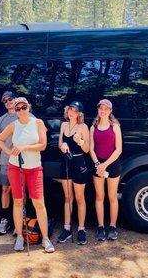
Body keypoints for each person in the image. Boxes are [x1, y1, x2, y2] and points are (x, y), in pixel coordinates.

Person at [0, 97, 55, 253]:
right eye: (18, 108)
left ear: (29, 107)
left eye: (23, 107)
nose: (21, 110)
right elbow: (0, 139)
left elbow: (43, 145)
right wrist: (8, 152)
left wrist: (24, 147)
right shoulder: (13, 125)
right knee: (18, 202)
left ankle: (45, 238)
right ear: (15, 111)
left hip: (34, 168)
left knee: (39, 203)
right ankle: (20, 237)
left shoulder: (38, 123)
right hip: (16, 168)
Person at [57, 101, 90, 245]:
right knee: (67, 197)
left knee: (80, 198)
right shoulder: (64, 125)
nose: (72, 113)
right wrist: (63, 145)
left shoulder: (83, 127)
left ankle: (81, 229)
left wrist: (81, 141)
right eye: (71, 109)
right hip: (66, 163)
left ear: (79, 114)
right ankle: (67, 228)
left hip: (79, 163)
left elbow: (88, 149)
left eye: (76, 111)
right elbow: (60, 144)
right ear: (67, 110)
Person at [89, 99, 123, 241]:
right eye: (100, 108)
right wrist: (98, 164)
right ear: (98, 110)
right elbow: (91, 148)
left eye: (106, 109)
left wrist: (105, 165)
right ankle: (101, 226)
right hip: (98, 164)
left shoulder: (115, 126)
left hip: (112, 164)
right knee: (99, 196)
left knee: (112, 197)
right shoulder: (93, 127)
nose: (103, 111)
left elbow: (119, 149)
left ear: (110, 111)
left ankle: (113, 226)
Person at [0, 91, 17, 235]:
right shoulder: (2, 119)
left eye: (10, 99)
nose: (8, 102)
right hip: (5, 160)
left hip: (21, 161)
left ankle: (20, 220)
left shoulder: (26, 115)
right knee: (5, 189)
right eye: (5, 100)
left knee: (19, 191)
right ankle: (5, 219)